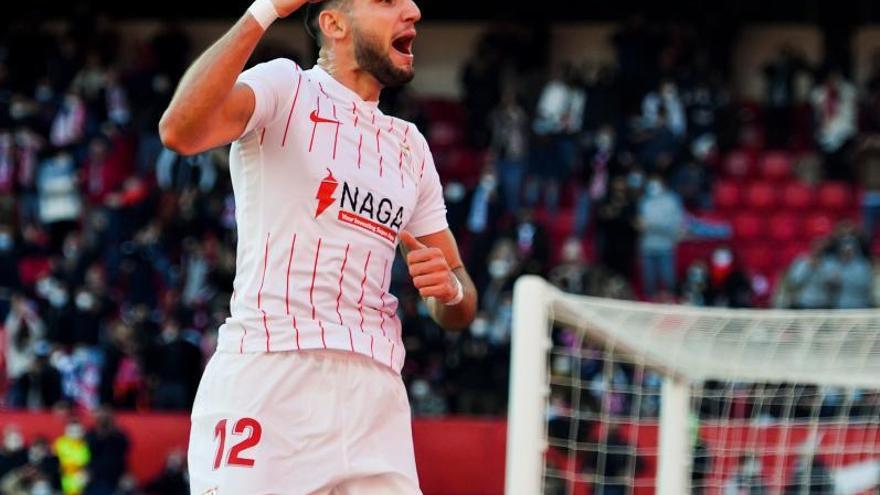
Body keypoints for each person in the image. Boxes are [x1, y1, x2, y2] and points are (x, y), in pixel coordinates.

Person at [159, 0, 478, 492]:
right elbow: (180, 130)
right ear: (333, 24)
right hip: (273, 371)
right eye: (388, 1)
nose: (413, 10)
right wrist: (263, 11)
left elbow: (458, 295)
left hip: (376, 393)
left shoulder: (409, 145)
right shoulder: (286, 85)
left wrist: (449, 292)